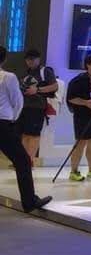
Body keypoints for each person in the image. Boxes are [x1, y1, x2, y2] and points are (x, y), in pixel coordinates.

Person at [0, 45, 51, 212]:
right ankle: (29, 201)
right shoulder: (8, 77)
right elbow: (17, 101)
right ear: (4, 59)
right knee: (23, 161)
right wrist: (13, 119)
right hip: (3, 123)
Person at [65, 53, 91, 181]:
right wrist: (86, 103)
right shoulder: (78, 80)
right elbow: (71, 98)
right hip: (82, 116)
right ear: (88, 65)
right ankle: (74, 171)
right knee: (80, 143)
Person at [18, 49, 57, 164]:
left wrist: (37, 90)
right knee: (25, 135)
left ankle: (29, 161)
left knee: (34, 135)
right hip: (24, 107)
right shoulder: (27, 72)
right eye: (28, 59)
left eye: (33, 59)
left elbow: (54, 86)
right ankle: (23, 160)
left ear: (38, 59)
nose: (30, 61)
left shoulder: (45, 71)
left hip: (37, 107)